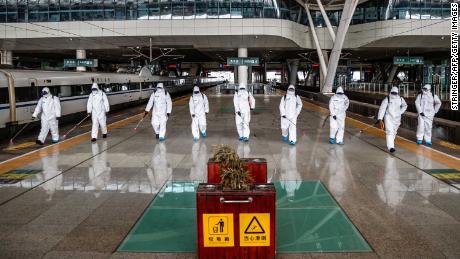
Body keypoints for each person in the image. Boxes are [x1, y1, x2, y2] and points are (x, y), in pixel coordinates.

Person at [377, 86, 408, 153]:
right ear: (391, 92)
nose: (394, 94)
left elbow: (405, 106)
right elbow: (382, 109)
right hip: (388, 118)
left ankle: (391, 143)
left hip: (397, 118)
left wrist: (400, 112)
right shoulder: (387, 99)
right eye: (393, 93)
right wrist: (380, 118)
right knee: (389, 131)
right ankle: (391, 147)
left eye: (395, 93)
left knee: (394, 132)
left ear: (397, 93)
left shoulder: (401, 99)